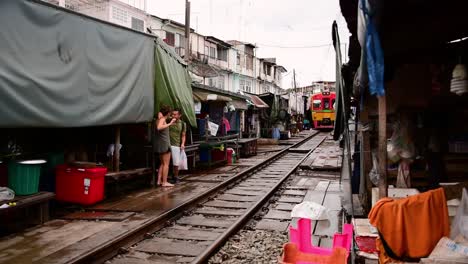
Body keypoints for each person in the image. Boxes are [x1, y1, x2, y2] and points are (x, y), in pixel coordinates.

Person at [155, 105, 176, 187]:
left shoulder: (160, 119)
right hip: (165, 144)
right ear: (167, 113)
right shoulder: (163, 119)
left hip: (161, 143)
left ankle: (159, 181)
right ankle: (164, 182)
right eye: (170, 113)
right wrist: (170, 124)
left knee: (162, 163)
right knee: (166, 164)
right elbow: (159, 127)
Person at [169, 108, 186, 183]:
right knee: (165, 162)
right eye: (172, 114)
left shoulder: (182, 124)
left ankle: (175, 176)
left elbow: (183, 135)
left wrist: (182, 143)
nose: (173, 116)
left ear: (179, 115)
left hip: (176, 144)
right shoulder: (168, 121)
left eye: (175, 114)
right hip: (167, 144)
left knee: (176, 162)